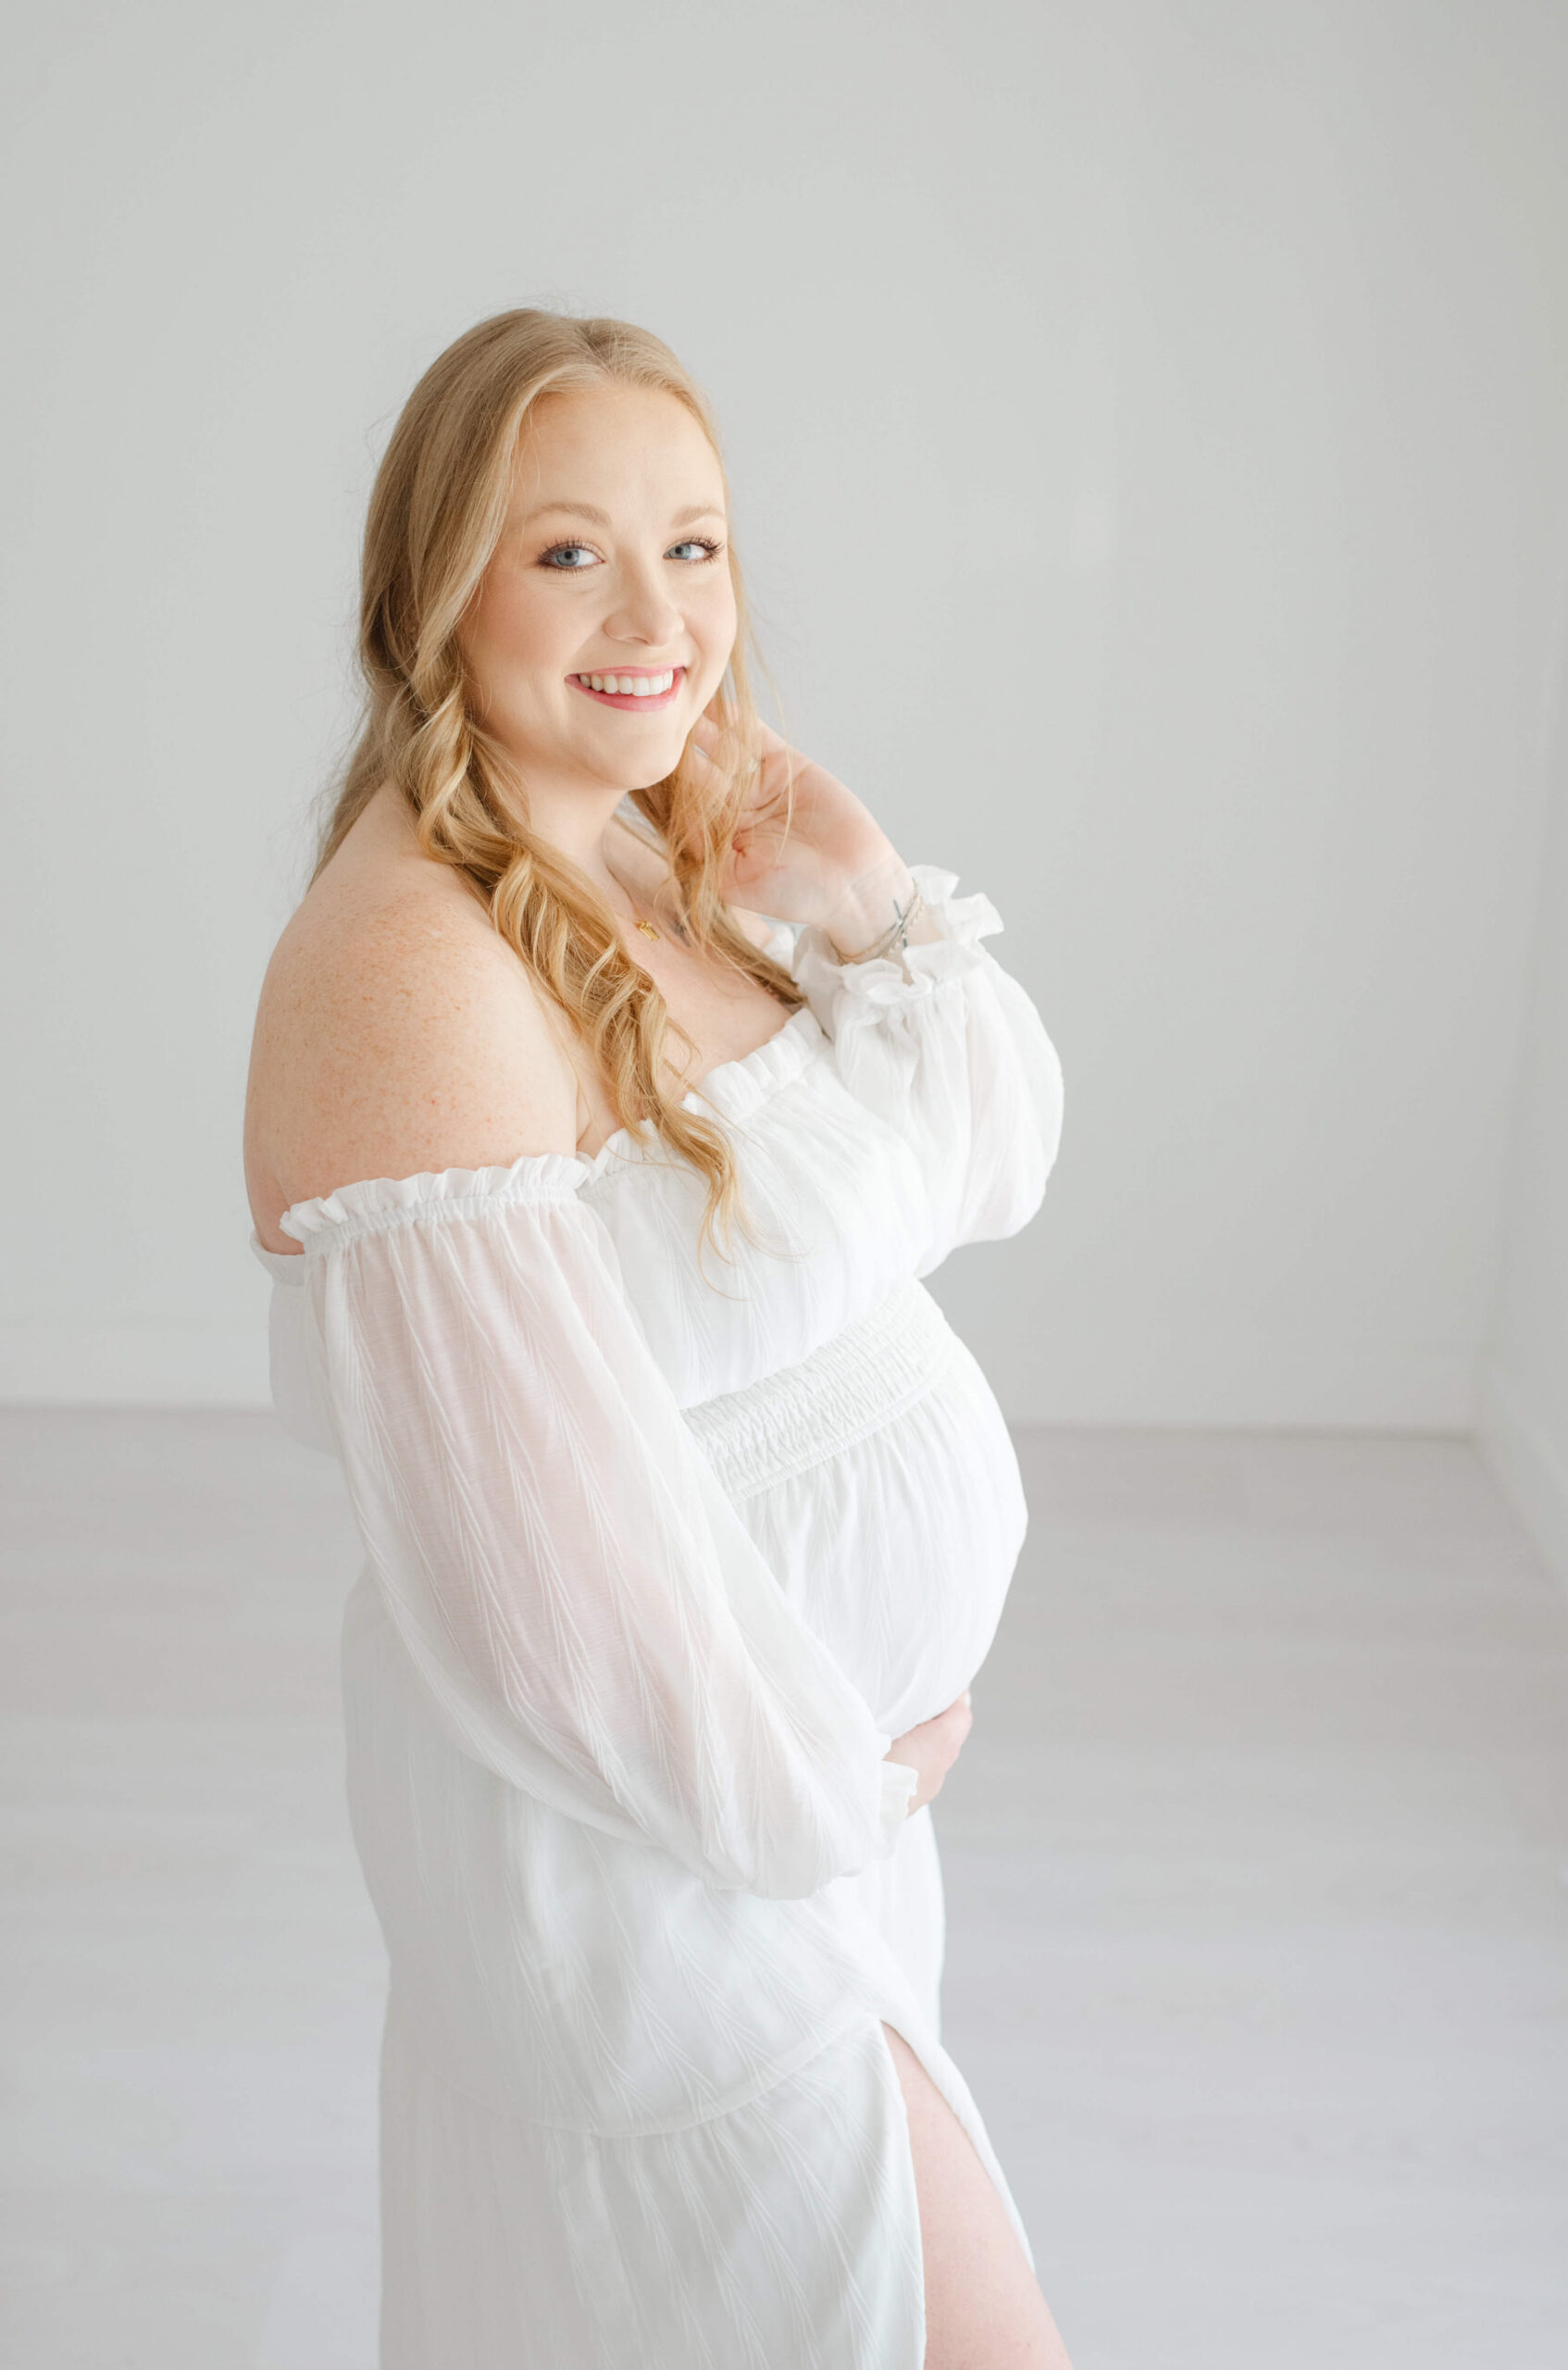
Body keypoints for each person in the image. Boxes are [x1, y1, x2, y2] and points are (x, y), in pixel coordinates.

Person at [243, 308, 1071, 2369]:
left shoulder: (653, 851)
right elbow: (537, 1590)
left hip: (805, 1837)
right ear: (433, 586)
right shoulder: (409, 966)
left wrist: (860, 890)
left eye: (693, 545)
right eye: (568, 552)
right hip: (659, 1866)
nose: (657, 613)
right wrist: (828, 1801)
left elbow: (986, 1160)